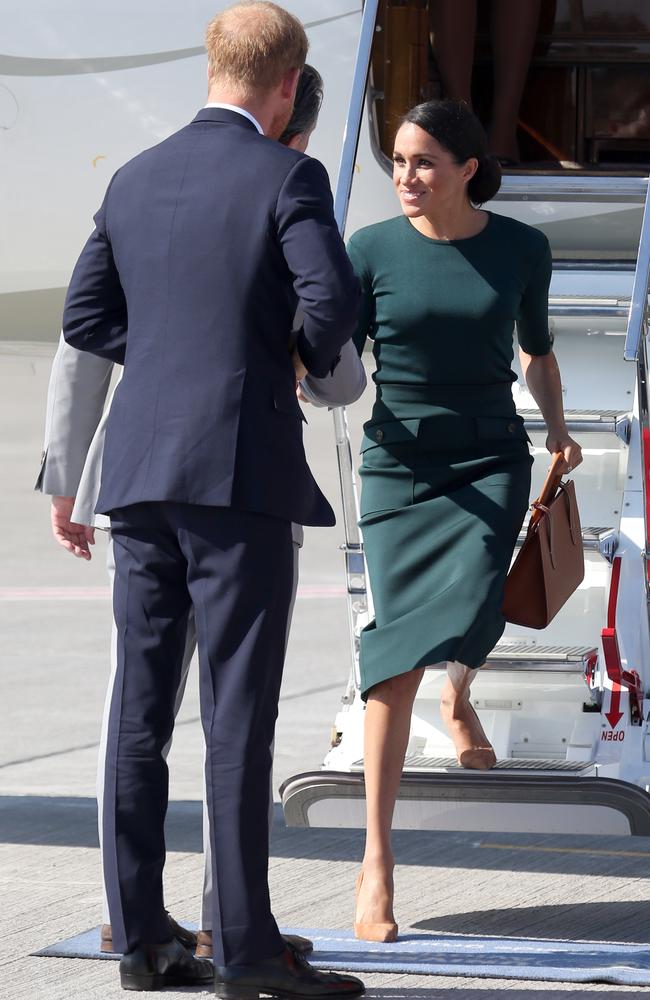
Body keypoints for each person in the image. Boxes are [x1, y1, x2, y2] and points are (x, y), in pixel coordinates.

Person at [60, 3, 364, 994]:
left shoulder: (133, 178)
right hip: (235, 476)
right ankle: (243, 949)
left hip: (138, 473)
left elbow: (86, 315)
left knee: (138, 714)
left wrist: (168, 363)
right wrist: (279, 357)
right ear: (285, 88)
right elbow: (331, 304)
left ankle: (142, 937)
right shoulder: (288, 173)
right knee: (237, 714)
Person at [346, 98, 582, 942]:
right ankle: (377, 862)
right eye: (400, 161)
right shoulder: (369, 250)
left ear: (468, 169)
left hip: (489, 459)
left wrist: (555, 425)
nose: (406, 178)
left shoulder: (522, 248)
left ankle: (460, 696)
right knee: (393, 653)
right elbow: (339, 354)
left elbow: (537, 346)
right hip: (398, 466)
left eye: (424, 163)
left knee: (478, 605)